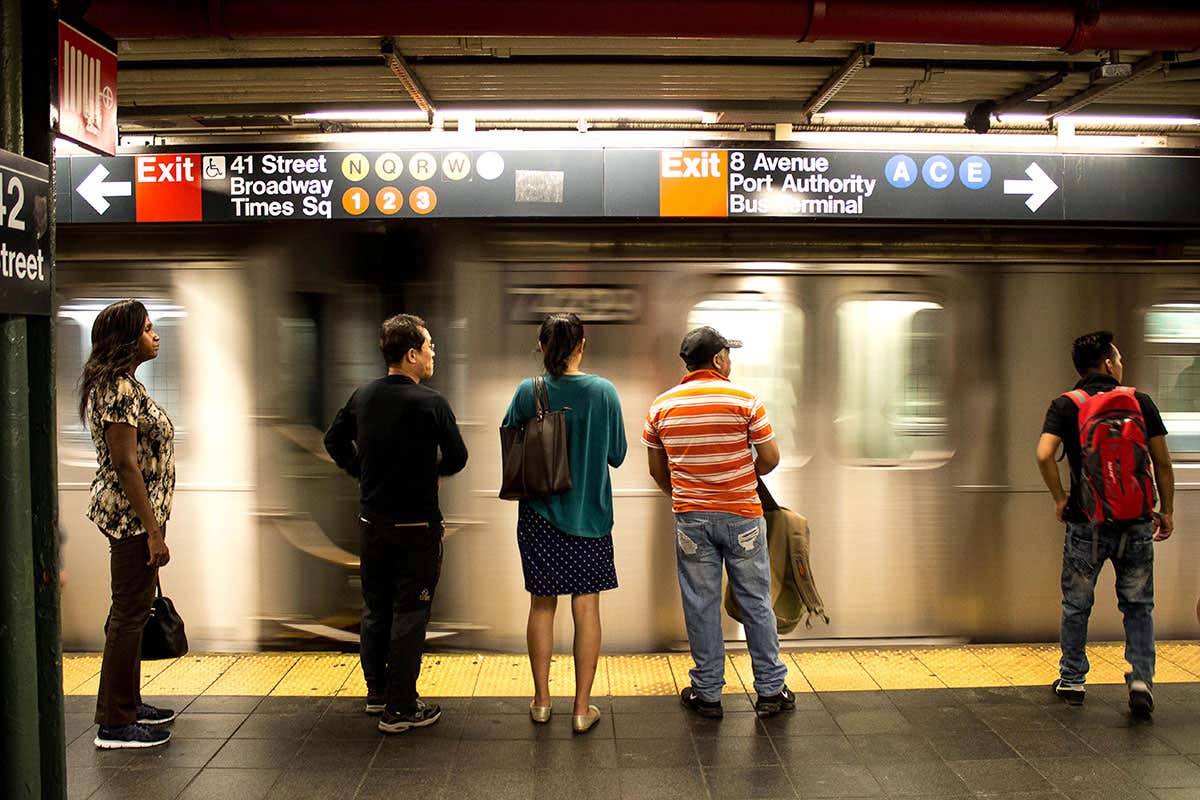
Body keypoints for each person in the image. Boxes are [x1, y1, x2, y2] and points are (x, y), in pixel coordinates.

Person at [324, 314, 468, 733]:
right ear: (411, 355)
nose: (433, 353)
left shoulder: (362, 397)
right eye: (429, 346)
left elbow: (333, 440)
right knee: (411, 612)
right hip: (417, 529)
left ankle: (377, 693)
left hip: (373, 524)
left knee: (375, 609)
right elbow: (458, 458)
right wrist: (426, 470)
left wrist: (361, 470)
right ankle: (401, 708)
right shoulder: (432, 403)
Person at [643, 326, 795, 719]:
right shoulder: (745, 400)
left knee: (700, 604)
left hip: (691, 520)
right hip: (743, 516)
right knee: (756, 600)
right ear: (717, 360)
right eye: (729, 354)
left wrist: (686, 495)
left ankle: (708, 693)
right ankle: (771, 691)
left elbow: (659, 472)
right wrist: (743, 478)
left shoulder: (661, 407)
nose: (732, 361)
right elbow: (771, 457)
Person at [1036, 330, 1175, 717]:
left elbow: (1044, 454)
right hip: (1136, 523)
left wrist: (1060, 498)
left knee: (1076, 603)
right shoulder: (1139, 401)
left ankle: (1073, 679)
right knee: (1138, 605)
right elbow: (1162, 463)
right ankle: (1141, 680)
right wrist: (1166, 510)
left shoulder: (1066, 405)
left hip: (1087, 523)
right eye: (1119, 357)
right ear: (1110, 363)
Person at [501, 313, 627, 734]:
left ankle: (540, 702)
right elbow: (617, 455)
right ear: (582, 346)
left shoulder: (527, 391)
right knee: (586, 605)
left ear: (541, 347)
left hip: (539, 514)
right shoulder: (604, 391)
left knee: (541, 604)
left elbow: (510, 437)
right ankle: (580, 708)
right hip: (590, 516)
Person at [80, 299, 177, 749]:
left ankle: (129, 704)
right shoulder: (118, 389)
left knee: (133, 614)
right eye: (147, 329)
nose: (155, 336)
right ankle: (114, 722)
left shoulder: (124, 386)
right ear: (125, 341)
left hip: (133, 516)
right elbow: (124, 464)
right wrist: (152, 529)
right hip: (129, 519)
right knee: (128, 615)